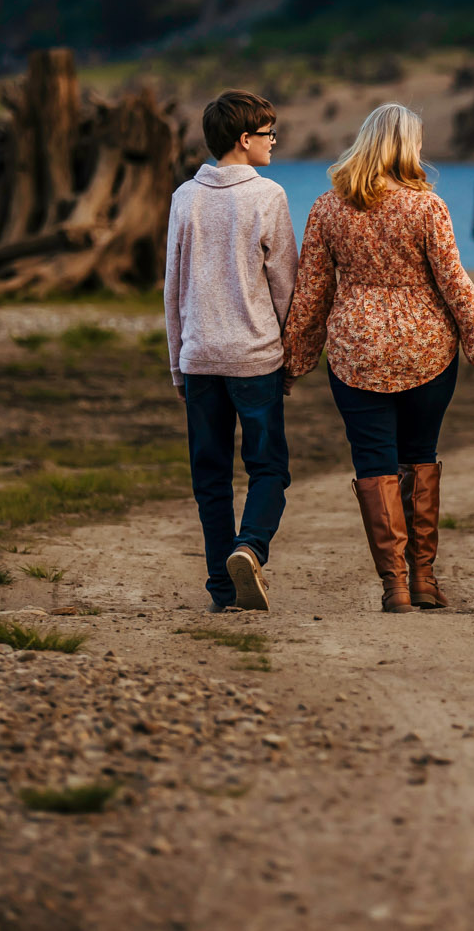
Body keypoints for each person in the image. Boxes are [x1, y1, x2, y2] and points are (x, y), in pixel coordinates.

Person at [283, 103, 474, 613]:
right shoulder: (427, 208)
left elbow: (312, 293)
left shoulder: (327, 208)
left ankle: (396, 587)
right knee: (420, 454)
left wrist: (294, 360)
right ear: (406, 145)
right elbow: (456, 286)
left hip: (356, 352)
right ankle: (424, 578)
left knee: (373, 462)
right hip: (426, 351)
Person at [164, 91, 297, 613]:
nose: (274, 141)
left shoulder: (183, 197)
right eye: (268, 133)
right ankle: (250, 547)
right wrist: (293, 354)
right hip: (255, 357)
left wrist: (177, 362)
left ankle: (223, 588)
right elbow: (286, 283)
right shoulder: (268, 196)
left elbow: (173, 288)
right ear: (245, 140)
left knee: (211, 476)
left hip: (200, 358)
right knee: (268, 469)